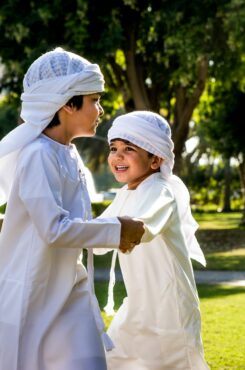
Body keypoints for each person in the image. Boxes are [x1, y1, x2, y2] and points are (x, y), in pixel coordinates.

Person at [0, 48, 144, 370]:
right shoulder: (38, 154)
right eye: (94, 100)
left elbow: (73, 224)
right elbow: (54, 229)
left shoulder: (69, 153)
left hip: (72, 291)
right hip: (34, 297)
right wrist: (117, 231)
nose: (101, 110)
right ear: (67, 102)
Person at [94, 111, 209, 369]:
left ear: (156, 159)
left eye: (129, 148)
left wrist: (125, 233)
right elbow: (98, 238)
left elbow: (143, 229)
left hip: (170, 310)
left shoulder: (162, 190)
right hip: (137, 306)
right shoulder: (126, 194)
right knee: (110, 360)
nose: (118, 156)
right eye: (113, 148)